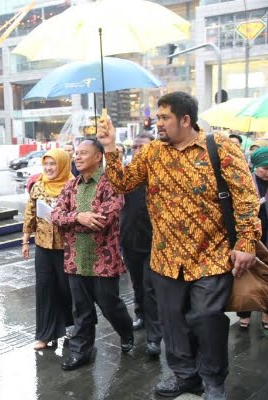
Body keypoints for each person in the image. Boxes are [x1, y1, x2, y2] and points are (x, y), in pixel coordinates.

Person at [97, 91, 260, 400]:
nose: (158, 124)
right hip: (165, 257)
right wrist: (109, 147)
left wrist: (247, 242)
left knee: (206, 318)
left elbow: (246, 198)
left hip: (211, 255)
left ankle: (213, 380)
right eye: (158, 117)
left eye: (164, 118)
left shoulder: (221, 148)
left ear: (185, 120)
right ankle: (185, 375)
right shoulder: (152, 152)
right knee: (172, 321)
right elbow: (122, 183)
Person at [51, 139, 134, 371]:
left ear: (98, 157)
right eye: (76, 153)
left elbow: (103, 220)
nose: (77, 157)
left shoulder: (111, 185)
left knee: (111, 306)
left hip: (103, 260)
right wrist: (78, 217)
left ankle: (126, 332)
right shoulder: (71, 186)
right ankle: (81, 352)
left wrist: (74, 219)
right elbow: (56, 215)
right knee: (81, 310)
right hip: (75, 260)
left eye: (83, 153)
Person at [22, 148, 74, 350]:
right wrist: (26, 241)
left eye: (53, 164)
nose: (49, 168)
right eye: (46, 164)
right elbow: (30, 214)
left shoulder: (72, 186)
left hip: (67, 247)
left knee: (67, 288)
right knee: (44, 289)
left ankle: (72, 326)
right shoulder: (37, 186)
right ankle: (45, 334)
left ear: (62, 164)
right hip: (43, 246)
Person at [119, 133, 162, 357]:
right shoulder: (126, 175)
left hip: (153, 243)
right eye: (134, 146)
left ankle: (155, 337)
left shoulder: (160, 173)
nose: (136, 150)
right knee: (137, 285)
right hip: (129, 241)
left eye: (141, 146)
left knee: (150, 288)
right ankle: (141, 316)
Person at [236, 147, 268, 332]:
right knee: (247, 275)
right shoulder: (246, 183)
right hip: (251, 238)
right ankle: (245, 314)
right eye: (264, 168)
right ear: (255, 166)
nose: (267, 172)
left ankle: (266, 313)